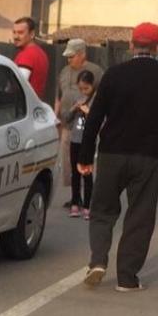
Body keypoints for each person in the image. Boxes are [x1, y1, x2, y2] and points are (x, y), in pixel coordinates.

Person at [77, 22, 158, 292]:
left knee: (102, 210)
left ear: (131, 45)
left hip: (112, 153)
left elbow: (95, 117)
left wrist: (85, 156)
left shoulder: (114, 74)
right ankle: (127, 278)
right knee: (140, 215)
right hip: (147, 156)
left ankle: (98, 260)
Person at [55, 38, 104, 205]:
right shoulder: (64, 71)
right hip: (67, 124)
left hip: (86, 128)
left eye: (72, 56)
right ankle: (75, 197)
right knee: (69, 165)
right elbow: (59, 96)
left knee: (85, 165)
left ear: (82, 54)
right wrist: (56, 116)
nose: (69, 60)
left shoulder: (95, 71)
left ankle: (88, 199)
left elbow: (103, 96)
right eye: (67, 57)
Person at [65, 69, 97, 219]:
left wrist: (88, 111)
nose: (83, 91)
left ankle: (87, 206)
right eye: (81, 88)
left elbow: (99, 120)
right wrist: (74, 109)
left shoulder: (96, 99)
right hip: (75, 139)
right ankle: (75, 202)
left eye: (86, 88)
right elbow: (67, 119)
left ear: (92, 86)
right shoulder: (76, 97)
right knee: (75, 173)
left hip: (88, 141)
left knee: (86, 172)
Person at [12, 17, 49, 100]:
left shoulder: (27, 55)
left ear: (32, 34)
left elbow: (18, 85)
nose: (16, 36)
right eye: (14, 32)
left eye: (20, 32)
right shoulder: (40, 53)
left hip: (23, 104)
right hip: (35, 103)